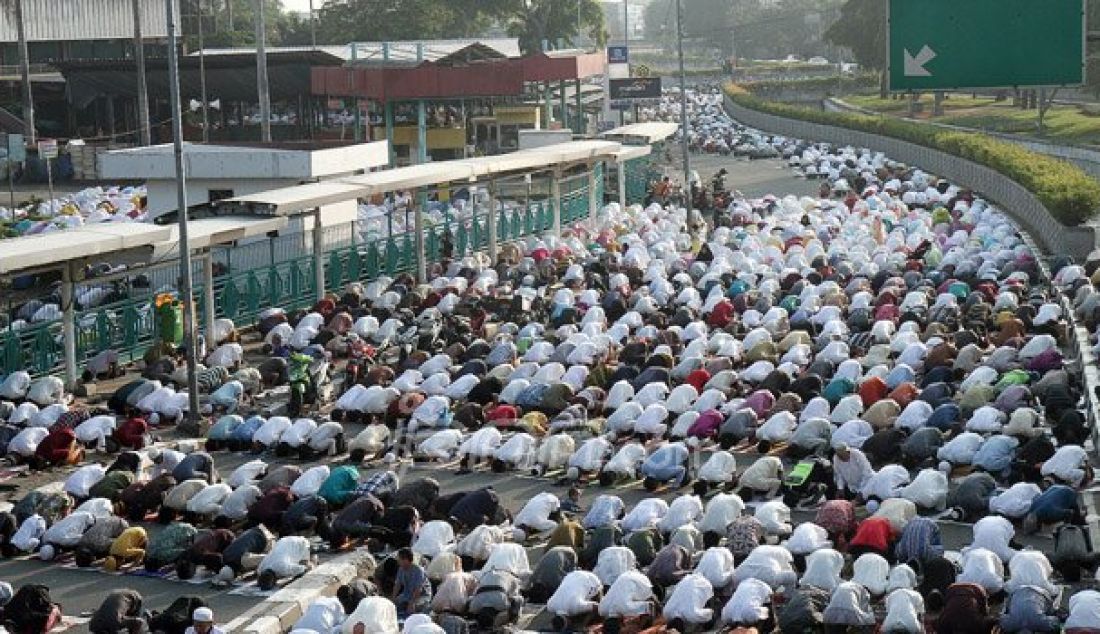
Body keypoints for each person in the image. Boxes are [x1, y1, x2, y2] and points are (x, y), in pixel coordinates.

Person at [392, 547, 431, 617]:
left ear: (406, 560)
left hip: (422, 595)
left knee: (415, 609)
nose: (398, 561)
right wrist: (393, 599)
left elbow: (418, 589)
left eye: (399, 559)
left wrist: (412, 603)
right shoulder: (401, 569)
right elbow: (397, 585)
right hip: (407, 594)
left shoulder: (418, 570)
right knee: (395, 605)